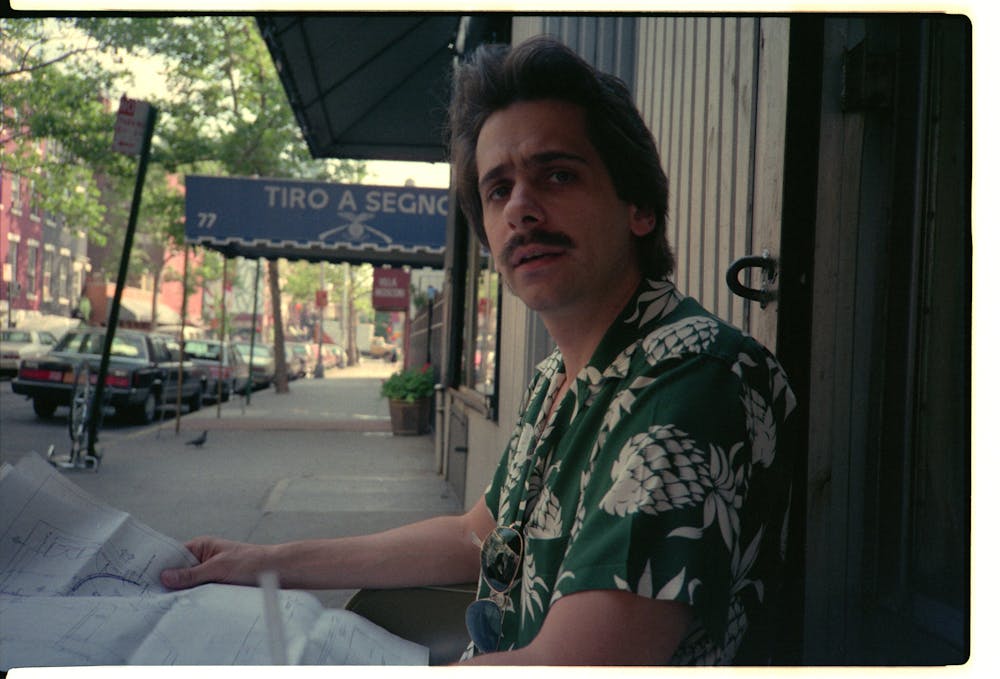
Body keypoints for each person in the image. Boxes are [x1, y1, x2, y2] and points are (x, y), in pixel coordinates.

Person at [160, 36, 796, 666]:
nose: (521, 208)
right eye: (498, 190)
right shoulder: (560, 378)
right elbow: (478, 535)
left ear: (639, 209)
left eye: (558, 174)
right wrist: (265, 564)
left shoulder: (690, 380)